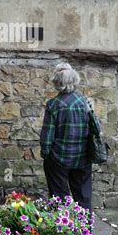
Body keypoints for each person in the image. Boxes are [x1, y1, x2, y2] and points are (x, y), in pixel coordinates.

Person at [40, 62, 93, 214]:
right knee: (83, 195)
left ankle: (63, 230)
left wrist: (46, 154)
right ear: (75, 81)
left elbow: (47, 135)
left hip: (58, 159)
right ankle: (85, 230)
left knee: (59, 195)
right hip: (82, 157)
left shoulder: (53, 104)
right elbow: (95, 128)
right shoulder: (85, 102)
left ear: (56, 82)